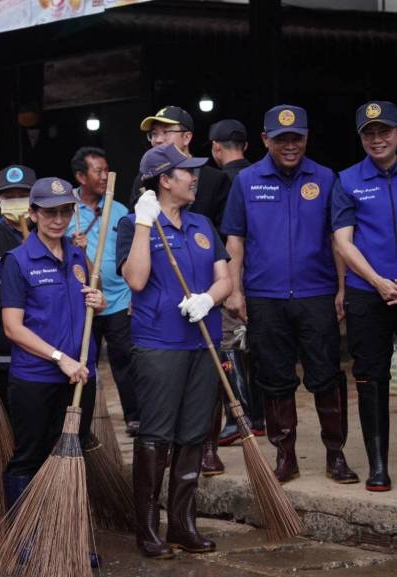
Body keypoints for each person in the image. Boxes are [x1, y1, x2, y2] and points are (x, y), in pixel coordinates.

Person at [221, 105, 358, 485]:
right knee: (275, 378)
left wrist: (343, 286)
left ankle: (336, 454)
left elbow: (337, 239)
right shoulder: (246, 182)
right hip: (266, 296)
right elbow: (235, 240)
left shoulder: (327, 178)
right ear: (265, 140)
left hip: (317, 293)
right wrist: (235, 290)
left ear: (307, 137)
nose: (290, 145)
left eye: (296, 137)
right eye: (281, 139)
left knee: (327, 375)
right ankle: (286, 456)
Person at [118, 144, 230, 558]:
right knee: (156, 435)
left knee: (193, 435)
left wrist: (208, 299)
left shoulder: (202, 223)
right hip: (158, 344)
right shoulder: (135, 224)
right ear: (165, 180)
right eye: (187, 172)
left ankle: (184, 524)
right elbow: (136, 280)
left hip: (203, 342)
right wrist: (146, 225)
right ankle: (148, 529)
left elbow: (225, 279)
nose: (195, 178)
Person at [0, 176, 104, 567]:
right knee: (30, 456)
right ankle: (25, 537)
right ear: (33, 214)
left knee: (71, 456)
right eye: (49, 212)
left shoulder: (78, 256)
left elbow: (96, 301)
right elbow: (13, 327)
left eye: (64, 211)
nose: (57, 219)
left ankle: (67, 536)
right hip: (36, 377)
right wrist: (59, 357)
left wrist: (100, 297)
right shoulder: (19, 261)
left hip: (81, 375)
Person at [332, 100, 397, 492]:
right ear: (360, 138)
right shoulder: (348, 180)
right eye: (369, 133)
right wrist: (377, 281)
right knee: (370, 378)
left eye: (384, 131)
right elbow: (342, 241)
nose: (377, 139)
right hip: (366, 293)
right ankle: (378, 466)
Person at [201, 119, 261, 476]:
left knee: (230, 347)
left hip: (231, 275)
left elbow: (226, 239)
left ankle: (240, 416)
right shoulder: (262, 175)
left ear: (215, 147)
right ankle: (262, 416)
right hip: (266, 276)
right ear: (249, 145)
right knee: (259, 347)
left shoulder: (218, 181)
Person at [67, 146, 137, 436]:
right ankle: (83, 418)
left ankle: (136, 416)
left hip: (120, 298)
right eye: (98, 171)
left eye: (107, 169)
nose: (105, 176)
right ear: (81, 176)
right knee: (86, 361)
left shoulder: (119, 211)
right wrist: (73, 246)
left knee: (126, 359)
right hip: (84, 300)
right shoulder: (67, 212)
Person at [0, 164, 36, 407]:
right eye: (9, 197)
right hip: (1, 347)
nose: (16, 202)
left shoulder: (48, 232)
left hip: (41, 343)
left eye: (23, 196)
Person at [134, 105, 231, 227]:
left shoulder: (215, 179)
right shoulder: (144, 178)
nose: (157, 140)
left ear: (186, 137)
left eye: (166, 132)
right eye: (153, 134)